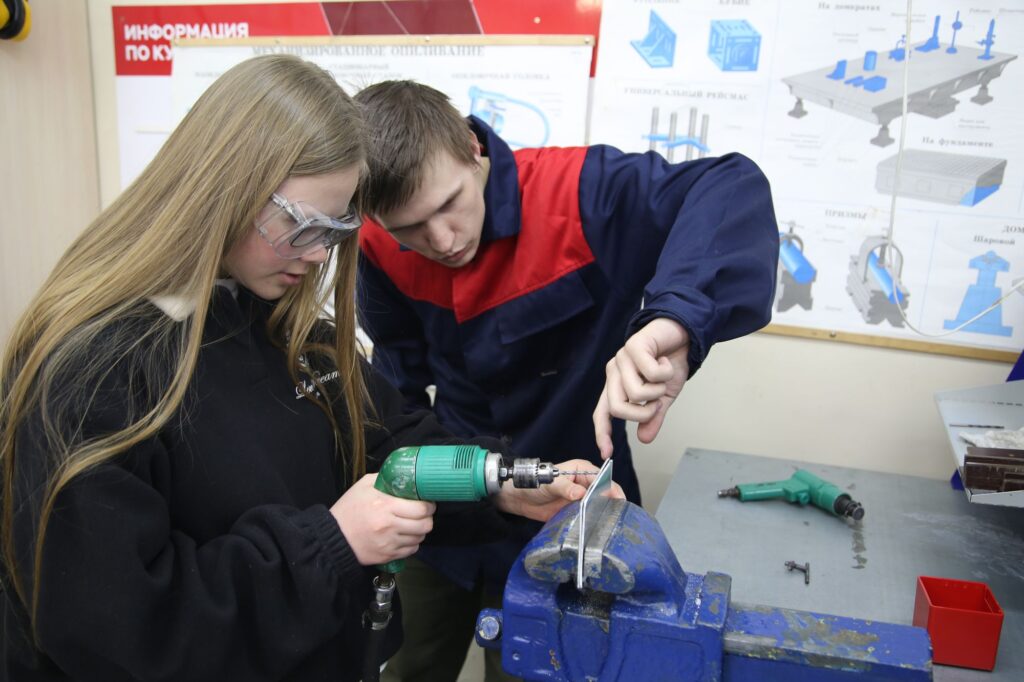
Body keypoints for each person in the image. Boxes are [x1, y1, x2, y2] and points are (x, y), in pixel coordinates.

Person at [0, 56, 614, 682]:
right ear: (223, 189)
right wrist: (332, 545)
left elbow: (391, 443)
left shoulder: (280, 326)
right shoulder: (91, 371)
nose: (321, 254)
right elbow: (121, 627)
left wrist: (501, 482)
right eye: (303, 225)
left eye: (337, 227)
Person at [354, 80, 780, 681]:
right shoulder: (376, 246)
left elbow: (728, 186)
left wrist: (674, 319)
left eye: (450, 204)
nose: (442, 241)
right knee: (407, 664)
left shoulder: (580, 197)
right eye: (412, 230)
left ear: (472, 147)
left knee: (538, 670)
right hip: (446, 503)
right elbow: (395, 394)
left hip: (573, 510)